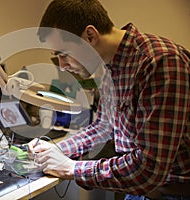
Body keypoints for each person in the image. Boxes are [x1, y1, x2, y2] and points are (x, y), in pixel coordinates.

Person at [27, 0, 190, 199]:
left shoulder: (160, 63)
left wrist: (72, 168)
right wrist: (56, 149)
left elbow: (150, 169)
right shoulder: (109, 69)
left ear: (90, 35)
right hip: (140, 191)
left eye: (64, 54)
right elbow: (104, 127)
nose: (61, 66)